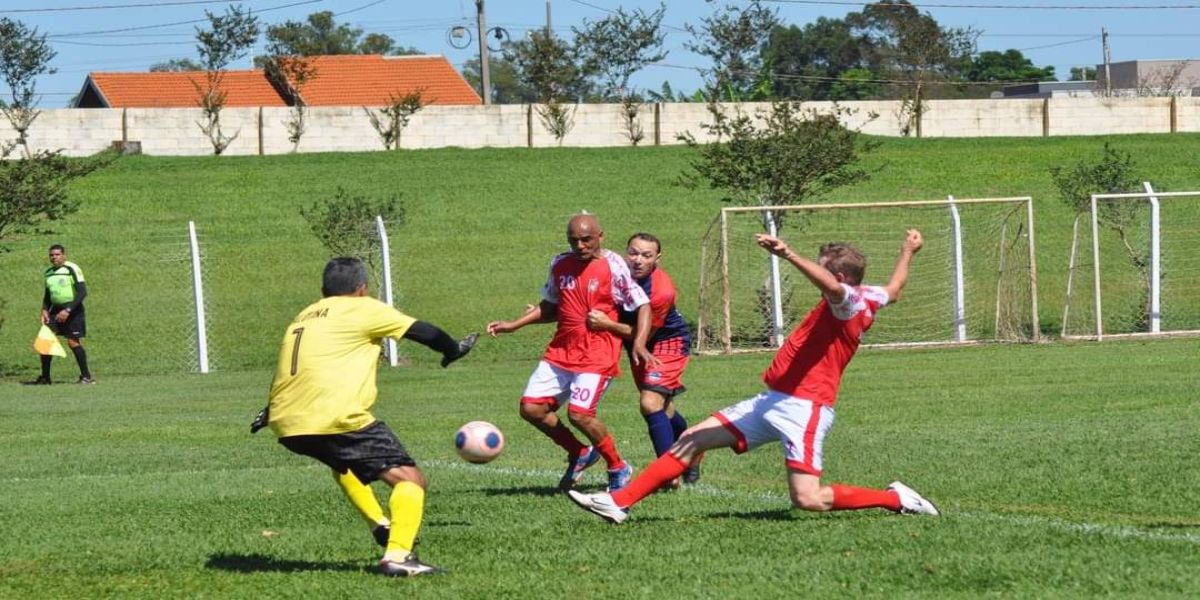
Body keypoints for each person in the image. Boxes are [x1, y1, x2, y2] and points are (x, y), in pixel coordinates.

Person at [568, 230, 941, 524]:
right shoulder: (871, 294)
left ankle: (897, 499)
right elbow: (895, 289)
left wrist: (788, 254)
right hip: (775, 399)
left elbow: (830, 287)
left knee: (807, 498)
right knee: (690, 439)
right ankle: (619, 502)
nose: (819, 270)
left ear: (840, 276)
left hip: (806, 408)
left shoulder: (846, 300)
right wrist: (909, 251)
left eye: (822, 265)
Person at [258, 257, 477, 577]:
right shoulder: (364, 308)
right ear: (362, 288)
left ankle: (381, 525)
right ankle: (399, 557)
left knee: (341, 461)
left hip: (286, 420)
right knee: (410, 480)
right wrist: (453, 350)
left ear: (323, 290)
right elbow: (424, 332)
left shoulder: (305, 315)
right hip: (335, 416)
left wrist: (271, 410)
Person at [487, 213, 656, 493]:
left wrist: (638, 343)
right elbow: (551, 306)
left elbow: (643, 305)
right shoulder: (559, 263)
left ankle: (617, 466)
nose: (580, 245)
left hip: (597, 353)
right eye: (574, 240)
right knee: (531, 408)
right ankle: (579, 452)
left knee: (580, 414)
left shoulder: (614, 265)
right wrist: (513, 325)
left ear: (600, 236)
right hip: (561, 351)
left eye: (586, 239)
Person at [585, 233, 701, 487]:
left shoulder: (661, 290)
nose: (638, 260)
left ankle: (667, 475)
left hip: (666, 341)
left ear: (657, 258)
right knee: (663, 407)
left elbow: (644, 333)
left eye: (646, 256)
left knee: (650, 403)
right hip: (635, 343)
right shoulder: (617, 269)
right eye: (634, 253)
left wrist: (606, 324)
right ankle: (694, 448)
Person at [34, 244, 94, 385]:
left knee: (73, 342)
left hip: (73, 309)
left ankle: (86, 376)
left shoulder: (71, 268)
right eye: (51, 255)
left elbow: (82, 292)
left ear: (64, 255)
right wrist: (44, 309)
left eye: (57, 254)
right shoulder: (48, 272)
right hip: (55, 310)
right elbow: (48, 295)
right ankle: (45, 377)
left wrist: (68, 310)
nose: (54, 257)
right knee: (46, 341)